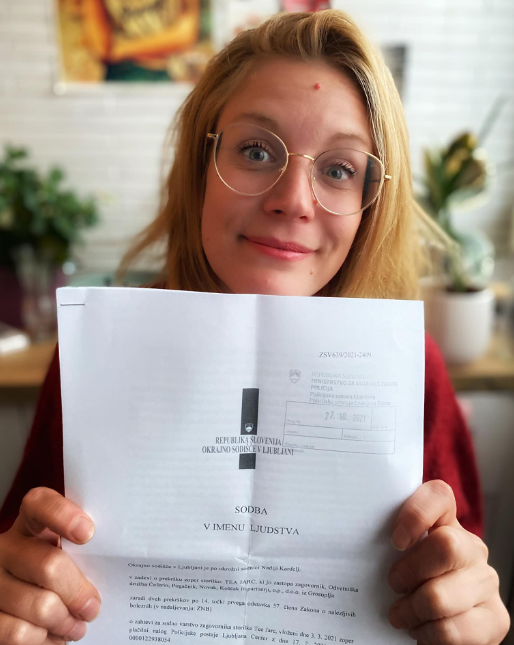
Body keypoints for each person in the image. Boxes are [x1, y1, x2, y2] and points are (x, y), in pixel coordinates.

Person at [0, 9, 510, 645]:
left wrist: (469, 616)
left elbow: (458, 582)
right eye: (255, 150)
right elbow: (21, 562)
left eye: (340, 168)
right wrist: (17, 595)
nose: (292, 200)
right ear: (200, 167)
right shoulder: (96, 356)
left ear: (370, 204)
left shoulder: (415, 373)